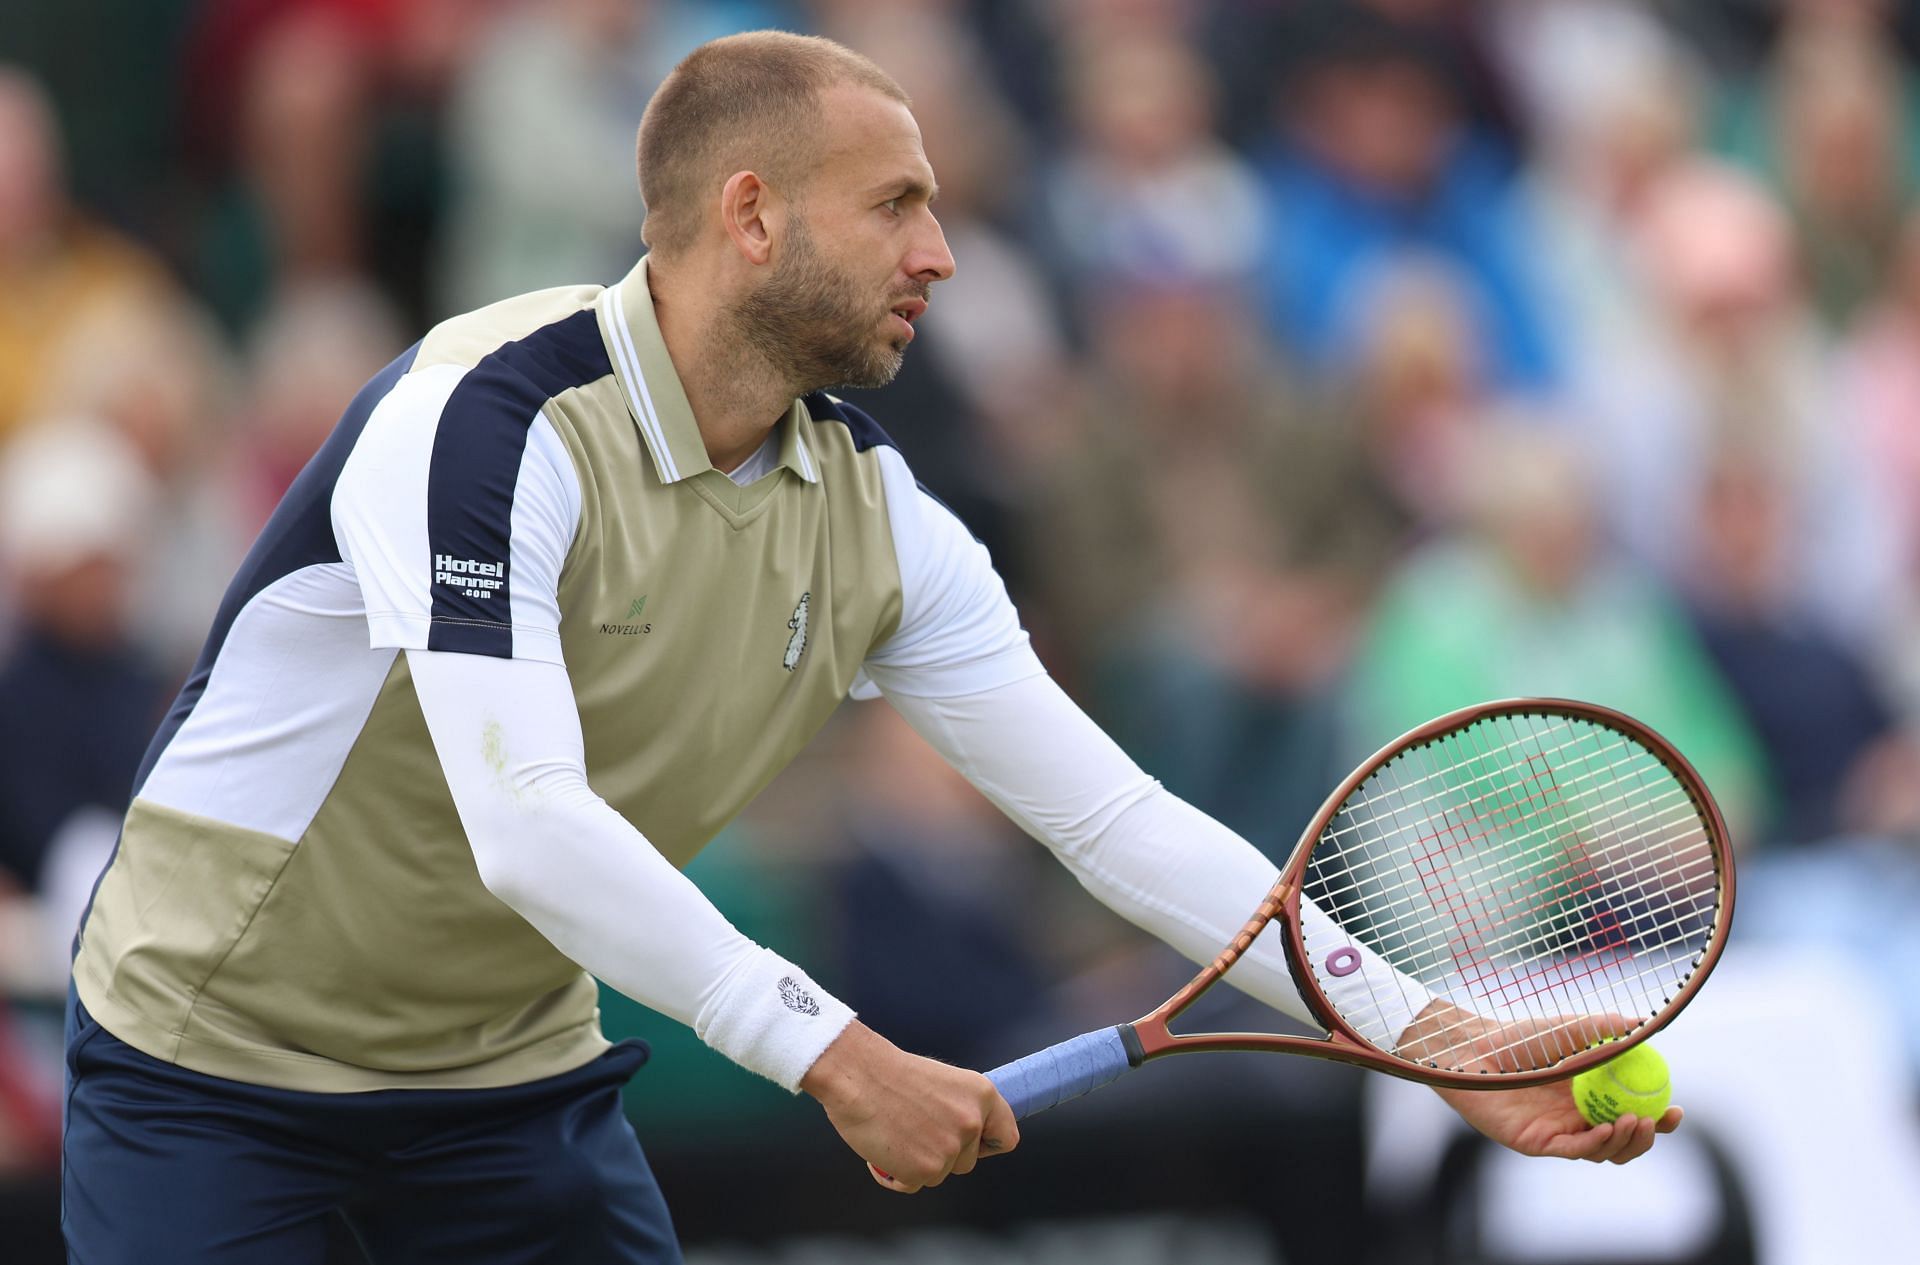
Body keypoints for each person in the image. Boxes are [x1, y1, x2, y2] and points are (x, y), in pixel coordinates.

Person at [62, 32, 1682, 1265]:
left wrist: (1429, 1039)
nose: (944, 251)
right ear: (750, 216)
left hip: (503, 1085)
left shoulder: (885, 520)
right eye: (897, 202)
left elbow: (1116, 823)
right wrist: (831, 1052)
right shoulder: (481, 419)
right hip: (215, 1068)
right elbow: (525, 822)